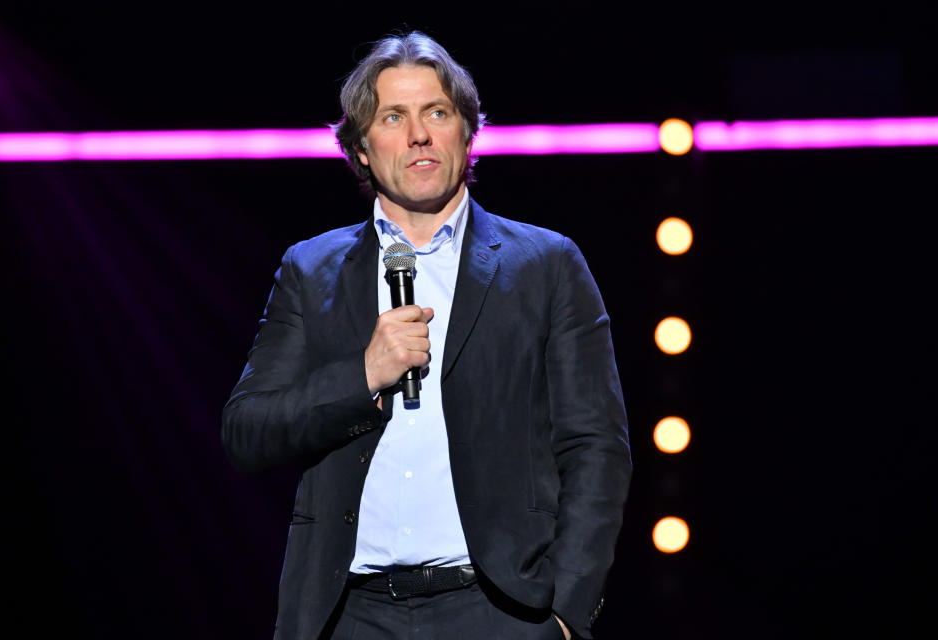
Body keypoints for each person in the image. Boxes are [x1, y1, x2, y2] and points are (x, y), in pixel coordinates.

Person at [222, 31, 631, 640]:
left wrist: (567, 613)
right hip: (350, 614)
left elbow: (596, 448)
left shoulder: (545, 265)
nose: (419, 134)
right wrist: (362, 376)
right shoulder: (311, 271)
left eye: (437, 113)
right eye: (394, 116)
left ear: (466, 133)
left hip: (501, 611)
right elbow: (247, 432)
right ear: (361, 147)